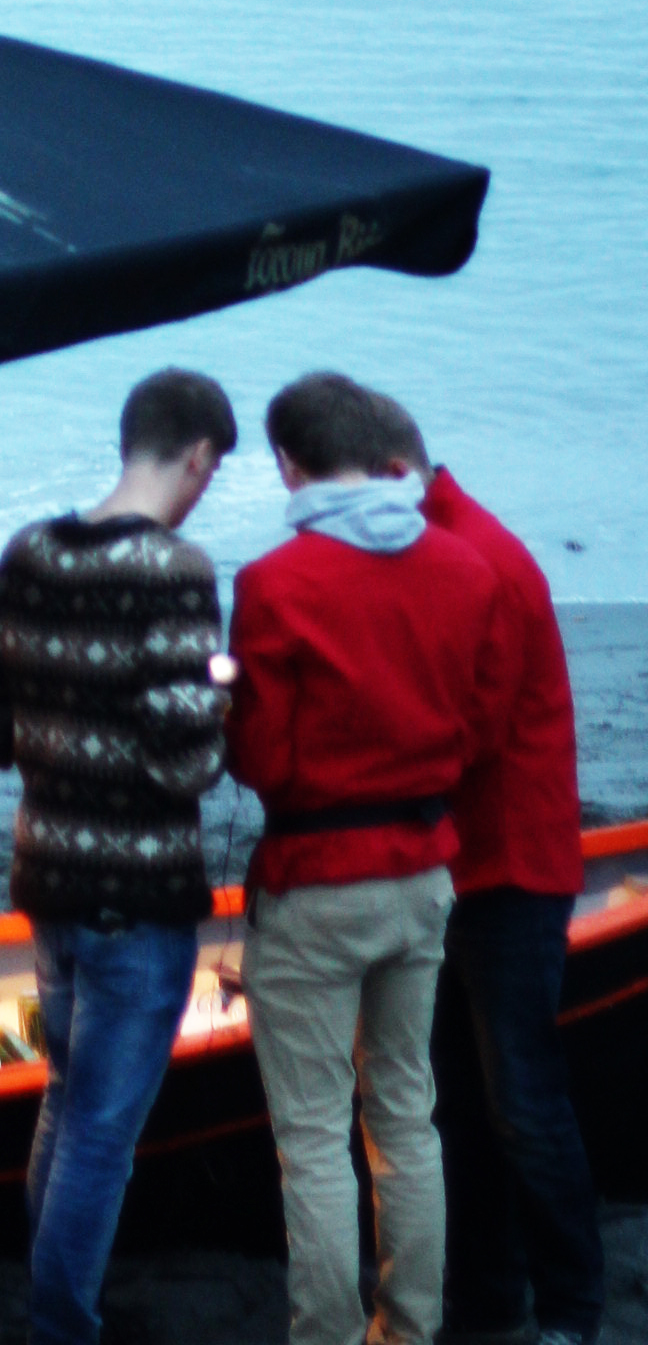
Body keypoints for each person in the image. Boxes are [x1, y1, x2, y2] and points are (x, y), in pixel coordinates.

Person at [0, 366, 237, 1345]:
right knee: (101, 1139)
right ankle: (62, 1328)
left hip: (50, 880)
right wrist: (222, 687)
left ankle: (54, 1311)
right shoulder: (175, 574)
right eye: (213, 470)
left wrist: (53, 755)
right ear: (197, 456)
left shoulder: (33, 553)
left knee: (67, 1112)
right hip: (137, 898)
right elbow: (188, 756)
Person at [227, 370, 515, 1345]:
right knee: (405, 1116)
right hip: (424, 874)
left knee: (312, 1140)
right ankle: (413, 1329)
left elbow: (261, 759)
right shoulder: (466, 572)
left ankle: (329, 1337)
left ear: (290, 465)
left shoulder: (275, 585)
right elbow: (478, 729)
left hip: (314, 882)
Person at [366, 394, 601, 1345]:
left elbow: (472, 733)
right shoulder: (435, 548)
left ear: (390, 478)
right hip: (459, 869)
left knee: (523, 1104)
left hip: (511, 870)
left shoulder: (482, 562)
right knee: (463, 1103)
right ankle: (489, 1299)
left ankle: (573, 1312)